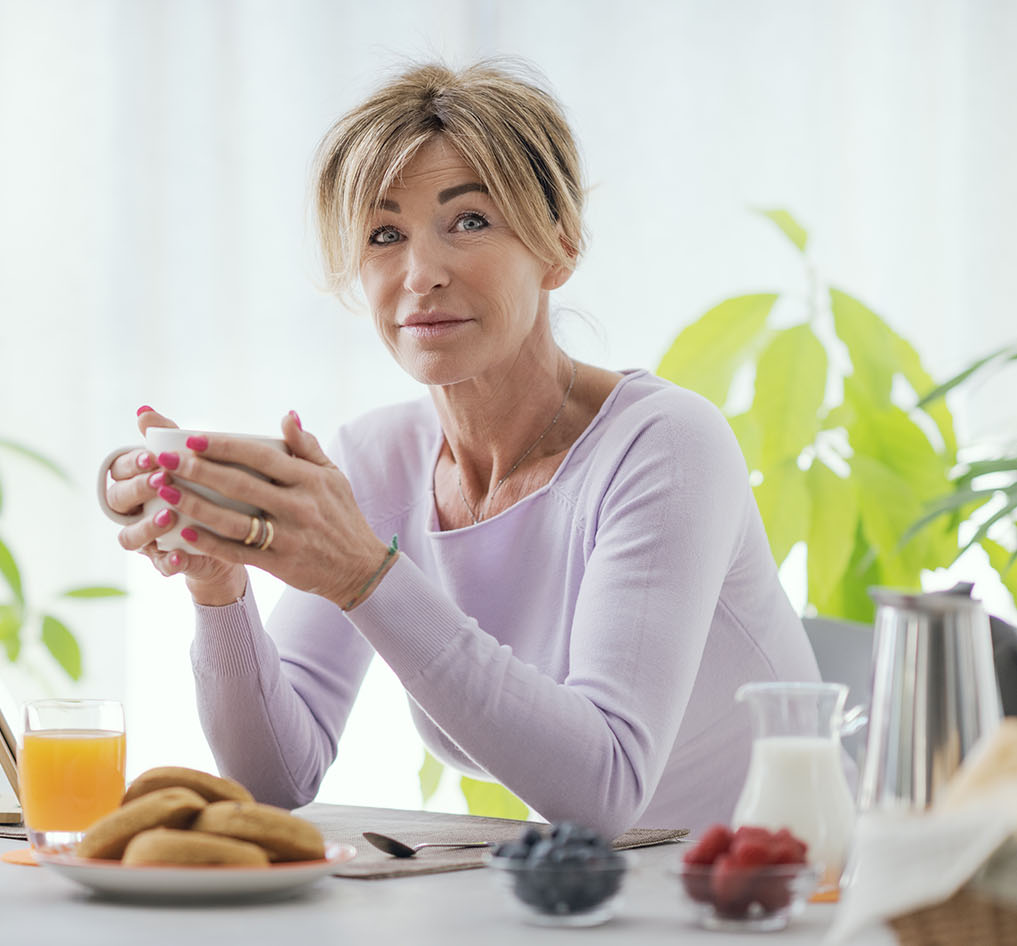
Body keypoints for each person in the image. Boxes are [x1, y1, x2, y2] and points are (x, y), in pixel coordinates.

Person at [99, 59, 821, 837]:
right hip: (587, 888)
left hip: (779, 882)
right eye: (384, 235)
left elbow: (606, 788)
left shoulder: (663, 446)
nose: (420, 275)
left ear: (559, 246)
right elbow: (274, 777)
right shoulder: (377, 459)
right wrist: (217, 585)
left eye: (469, 221)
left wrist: (363, 576)